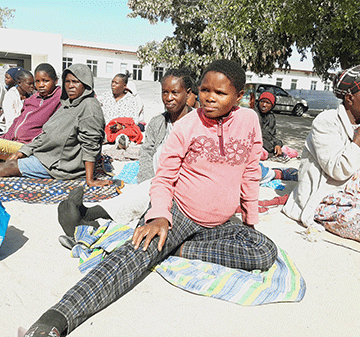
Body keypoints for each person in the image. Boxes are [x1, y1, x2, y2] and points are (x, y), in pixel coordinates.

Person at [22, 59, 277, 337]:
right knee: (130, 258)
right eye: (205, 90)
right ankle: (55, 320)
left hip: (219, 224)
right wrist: (158, 216)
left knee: (263, 251)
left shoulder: (249, 120)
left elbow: (251, 171)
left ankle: (178, 250)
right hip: (179, 213)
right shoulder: (188, 125)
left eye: (220, 93)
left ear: (239, 96)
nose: (209, 98)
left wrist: (250, 219)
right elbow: (165, 176)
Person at [57, 68, 194, 246]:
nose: (168, 98)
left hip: (177, 184)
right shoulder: (158, 122)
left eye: (174, 93)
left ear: (188, 93)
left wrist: (157, 187)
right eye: (164, 92)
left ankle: (89, 220)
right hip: (154, 181)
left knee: (142, 205)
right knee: (134, 195)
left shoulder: (196, 123)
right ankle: (86, 219)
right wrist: (148, 181)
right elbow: (146, 154)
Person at [0, 64, 111, 187]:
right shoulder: (69, 103)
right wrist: (24, 151)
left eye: (75, 82)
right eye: (67, 82)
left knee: (7, 168)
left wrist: (90, 180)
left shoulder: (89, 108)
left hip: (61, 164)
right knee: (10, 159)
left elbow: (91, 144)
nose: (70, 86)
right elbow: (47, 133)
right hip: (47, 154)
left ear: (86, 84)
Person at [283, 65, 360, 229]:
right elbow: (338, 170)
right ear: (349, 98)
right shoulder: (327, 121)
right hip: (325, 199)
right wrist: (358, 140)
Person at [0, 63, 61, 160]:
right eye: (37, 81)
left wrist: (28, 147)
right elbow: (17, 122)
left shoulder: (59, 98)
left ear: (56, 81)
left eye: (45, 81)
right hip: (14, 141)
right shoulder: (33, 98)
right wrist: (5, 138)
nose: (41, 85)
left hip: (28, 147)